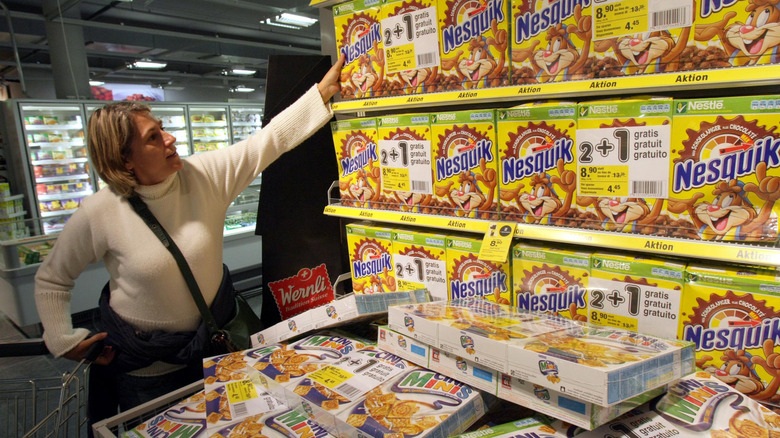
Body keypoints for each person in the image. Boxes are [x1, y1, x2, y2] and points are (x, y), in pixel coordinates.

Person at [33, 54, 345, 429]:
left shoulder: (203, 176)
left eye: (162, 127)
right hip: (148, 371)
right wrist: (61, 339)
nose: (170, 139)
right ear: (125, 159)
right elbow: (53, 278)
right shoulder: (100, 213)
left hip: (216, 351)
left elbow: (269, 140)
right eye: (153, 138)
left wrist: (321, 94)